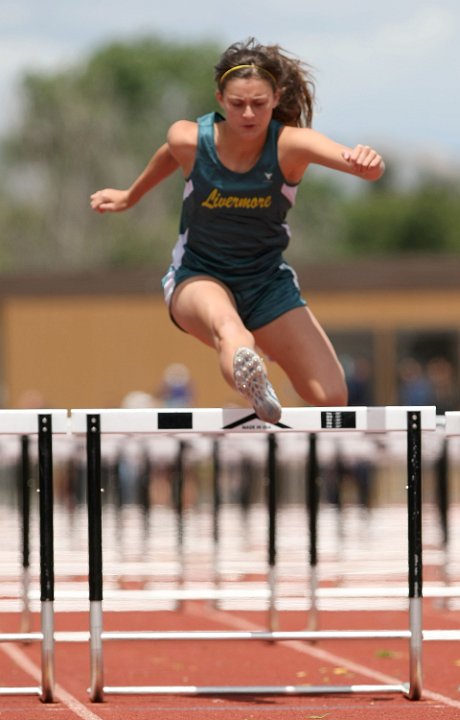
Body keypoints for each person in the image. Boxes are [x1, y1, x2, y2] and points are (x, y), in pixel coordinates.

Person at [91, 38, 385, 424]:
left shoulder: (290, 146)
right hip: (199, 276)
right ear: (219, 98)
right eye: (237, 104)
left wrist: (368, 162)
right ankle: (252, 379)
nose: (248, 114)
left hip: (265, 282)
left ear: (276, 97)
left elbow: (362, 165)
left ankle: (257, 355)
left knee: (331, 395)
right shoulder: (190, 138)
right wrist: (131, 195)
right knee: (228, 327)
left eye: (260, 104)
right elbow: (170, 153)